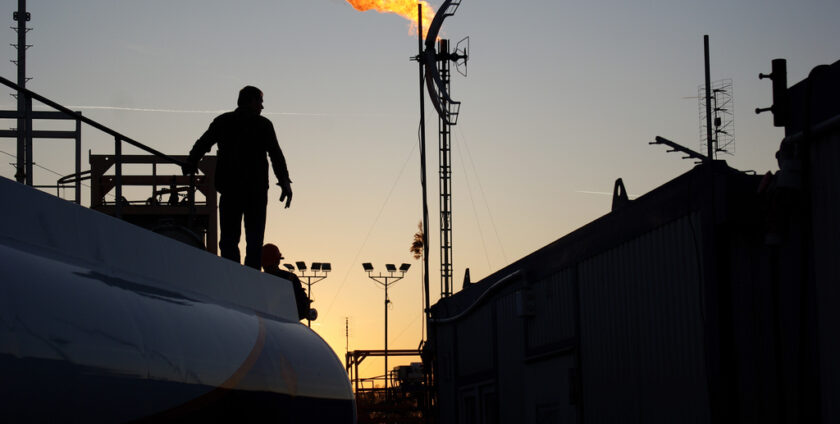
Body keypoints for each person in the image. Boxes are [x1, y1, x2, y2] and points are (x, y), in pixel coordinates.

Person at [183, 86, 292, 269]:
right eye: (260, 102)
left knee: (229, 240)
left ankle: (232, 274)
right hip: (255, 192)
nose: (262, 107)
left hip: (230, 190)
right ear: (252, 101)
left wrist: (191, 162)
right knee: (254, 242)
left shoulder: (223, 121)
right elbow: (276, 155)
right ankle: (250, 278)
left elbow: (203, 143)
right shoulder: (263, 125)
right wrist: (284, 182)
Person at [261, 243, 310, 321]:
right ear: (278, 261)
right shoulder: (290, 278)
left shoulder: (258, 279)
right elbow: (303, 308)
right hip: (286, 321)